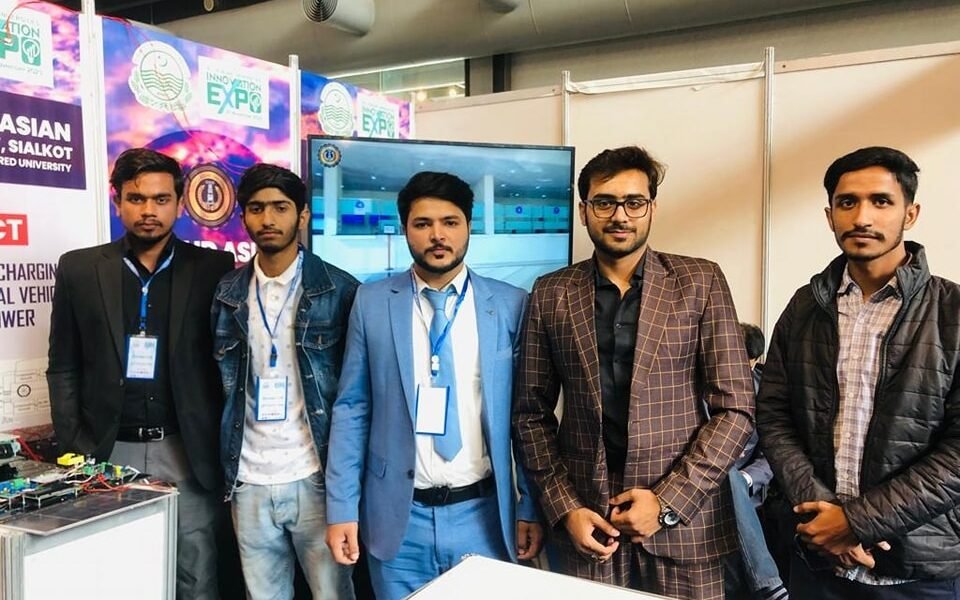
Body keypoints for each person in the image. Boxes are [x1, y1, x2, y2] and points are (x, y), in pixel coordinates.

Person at [513, 145, 755, 600]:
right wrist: (564, 507)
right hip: (589, 524)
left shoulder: (700, 281)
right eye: (604, 202)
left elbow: (736, 409)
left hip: (684, 527)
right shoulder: (550, 293)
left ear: (652, 209)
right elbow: (530, 414)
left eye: (634, 202)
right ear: (584, 211)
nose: (619, 215)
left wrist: (667, 503)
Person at [324, 171, 543, 600]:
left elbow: (527, 417)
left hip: (485, 517)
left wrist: (530, 506)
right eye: (423, 223)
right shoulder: (371, 302)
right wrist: (342, 508)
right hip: (398, 520)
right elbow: (352, 409)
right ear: (405, 229)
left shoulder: (510, 304)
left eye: (450, 222)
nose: (437, 235)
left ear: (469, 226)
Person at [757, 146, 960, 598]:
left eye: (881, 201)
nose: (862, 217)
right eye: (847, 202)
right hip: (816, 560)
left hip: (917, 571)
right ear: (830, 216)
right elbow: (773, 415)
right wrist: (823, 517)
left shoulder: (952, 312)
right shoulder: (805, 306)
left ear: (911, 214)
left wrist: (856, 522)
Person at [47, 147, 234, 599]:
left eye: (161, 199)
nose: (149, 210)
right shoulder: (80, 268)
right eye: (136, 198)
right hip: (108, 449)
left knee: (196, 574)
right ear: (118, 202)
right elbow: (63, 364)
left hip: (186, 450)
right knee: (117, 573)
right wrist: (75, 444)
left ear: (180, 204)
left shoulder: (213, 268)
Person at [211, 163, 358, 600]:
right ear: (243, 217)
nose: (268, 218)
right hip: (248, 478)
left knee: (332, 594)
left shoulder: (340, 290)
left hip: (315, 476)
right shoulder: (226, 293)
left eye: (280, 207)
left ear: (303, 214)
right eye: (256, 208)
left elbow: (356, 397)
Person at [724, 323, 788, 600]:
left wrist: (746, 479)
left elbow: (772, 453)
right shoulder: (698, 386)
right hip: (699, 483)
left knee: (728, 477)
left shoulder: (766, 393)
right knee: (721, 471)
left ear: (752, 360)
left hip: (744, 488)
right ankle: (768, 584)